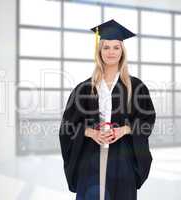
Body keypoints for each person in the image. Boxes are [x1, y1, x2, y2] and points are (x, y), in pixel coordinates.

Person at [59, 19, 156, 200]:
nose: (111, 52)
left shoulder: (136, 87)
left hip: (123, 158)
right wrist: (90, 133)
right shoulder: (84, 88)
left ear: (122, 51)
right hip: (90, 157)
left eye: (116, 47)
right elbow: (67, 126)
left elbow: (147, 119)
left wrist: (124, 130)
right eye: (106, 47)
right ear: (99, 51)